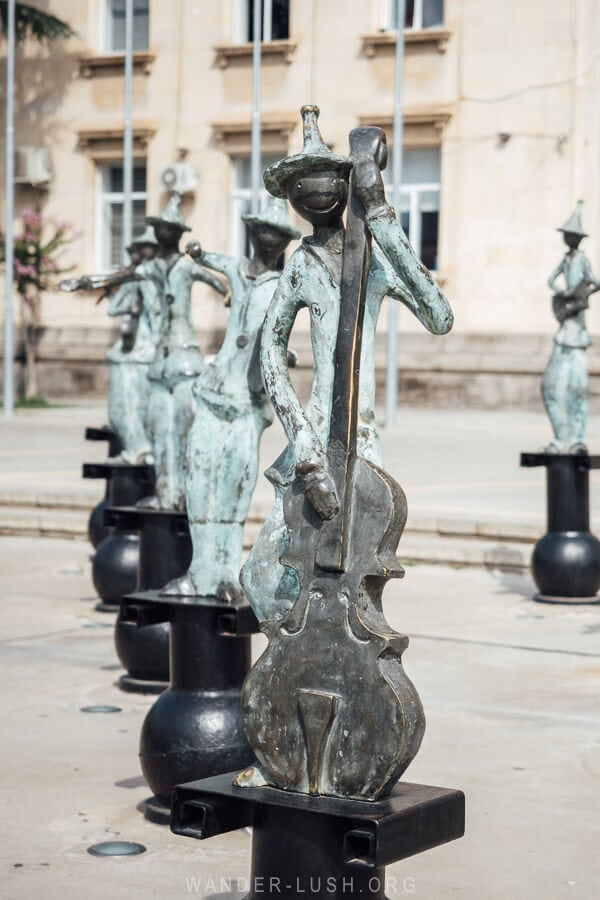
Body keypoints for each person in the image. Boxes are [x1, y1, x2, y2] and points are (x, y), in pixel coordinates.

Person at [240, 105, 453, 625]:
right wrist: (305, 446)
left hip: (359, 445)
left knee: (349, 588)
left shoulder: (374, 263)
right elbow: (271, 351)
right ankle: (292, 683)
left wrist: (380, 213)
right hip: (311, 442)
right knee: (266, 580)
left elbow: (439, 315)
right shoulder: (300, 264)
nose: (311, 197)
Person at [162, 197, 300, 599]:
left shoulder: (284, 284)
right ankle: (198, 572)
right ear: (253, 234)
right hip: (213, 391)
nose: (268, 242)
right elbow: (213, 260)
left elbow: (281, 333)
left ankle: (224, 574)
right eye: (262, 233)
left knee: (234, 490)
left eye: (276, 237)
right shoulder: (239, 271)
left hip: (248, 402)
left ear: (284, 243)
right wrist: (199, 253)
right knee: (200, 482)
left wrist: (282, 353)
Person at [60, 226, 159, 464]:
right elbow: (116, 308)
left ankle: (139, 451)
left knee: (133, 406)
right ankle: (139, 450)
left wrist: (89, 285)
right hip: (141, 351)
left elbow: (122, 307)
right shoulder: (143, 276)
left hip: (143, 351)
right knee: (130, 406)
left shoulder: (149, 275)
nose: (137, 256)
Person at [542, 200, 600, 453]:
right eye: (567, 236)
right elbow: (551, 280)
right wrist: (563, 293)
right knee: (550, 386)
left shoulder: (583, 259)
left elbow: (595, 283)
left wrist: (581, 295)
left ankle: (576, 438)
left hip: (578, 330)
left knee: (577, 387)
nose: (569, 239)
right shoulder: (566, 260)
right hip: (564, 329)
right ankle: (559, 436)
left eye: (571, 236)